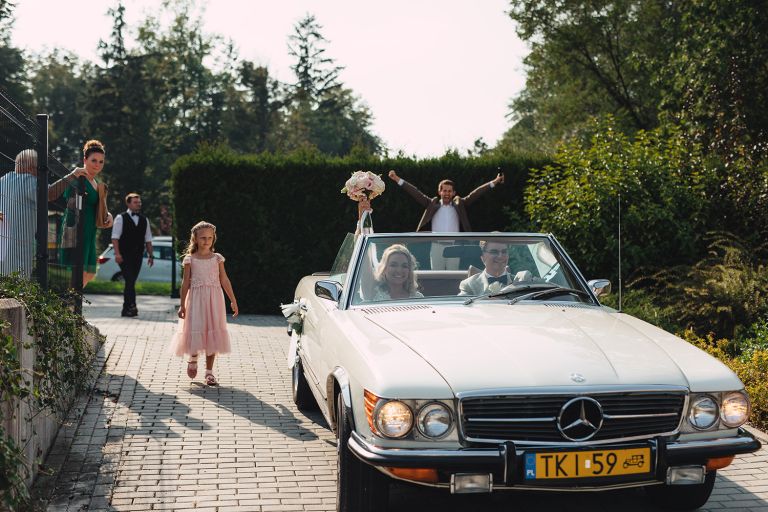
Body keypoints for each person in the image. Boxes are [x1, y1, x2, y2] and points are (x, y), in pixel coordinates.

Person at [387, 170, 504, 269]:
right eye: (444, 191)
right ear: (439, 192)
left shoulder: (459, 204)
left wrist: (495, 181)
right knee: (436, 277)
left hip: (454, 246)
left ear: (454, 193)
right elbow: (415, 192)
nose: (447, 193)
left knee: (453, 276)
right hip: (436, 246)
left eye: (449, 191)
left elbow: (477, 193)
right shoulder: (432, 204)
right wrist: (397, 179)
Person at [169, 221, 238, 386]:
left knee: (213, 332)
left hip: (215, 299)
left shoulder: (217, 258)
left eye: (209, 238)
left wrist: (233, 300)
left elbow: (224, 279)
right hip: (196, 300)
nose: (206, 241)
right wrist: (182, 305)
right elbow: (185, 283)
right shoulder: (190, 259)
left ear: (214, 238)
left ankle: (209, 372)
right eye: (203, 238)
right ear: (195, 239)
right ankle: (193, 358)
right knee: (196, 328)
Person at [59, 140, 113, 285]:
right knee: (77, 272)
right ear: (85, 160)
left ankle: (73, 298)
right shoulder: (78, 178)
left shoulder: (96, 182)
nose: (97, 164)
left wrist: (108, 215)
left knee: (89, 272)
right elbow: (69, 201)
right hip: (77, 228)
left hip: (90, 230)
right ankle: (71, 299)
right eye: (94, 160)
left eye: (101, 162)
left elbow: (98, 206)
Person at [111, 193, 153, 317]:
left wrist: (151, 255)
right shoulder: (120, 218)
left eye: (139, 202)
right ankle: (131, 306)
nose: (138, 204)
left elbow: (148, 239)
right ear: (128, 203)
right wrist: (117, 254)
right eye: (135, 202)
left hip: (138, 256)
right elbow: (115, 237)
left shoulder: (144, 219)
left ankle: (127, 309)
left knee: (131, 281)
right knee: (129, 280)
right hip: (124, 255)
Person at [0, 150, 38, 277]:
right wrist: (71, 176)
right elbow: (49, 194)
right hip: (20, 250)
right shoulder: (29, 180)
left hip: (2, 248)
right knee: (20, 283)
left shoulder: (3, 180)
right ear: (30, 168)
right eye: (37, 168)